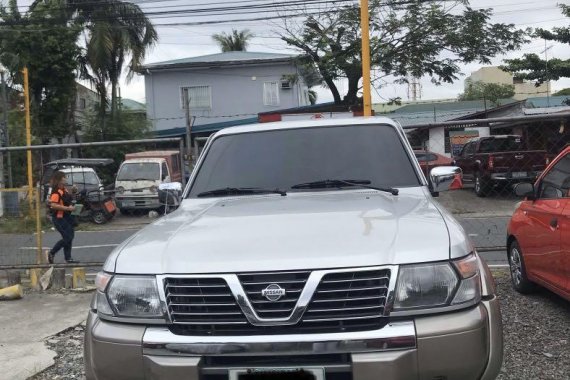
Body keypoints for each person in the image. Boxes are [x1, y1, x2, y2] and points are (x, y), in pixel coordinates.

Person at [45, 171, 79, 264]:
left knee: (70, 237)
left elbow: (71, 200)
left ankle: (68, 258)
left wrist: (74, 192)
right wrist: (68, 208)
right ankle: (52, 253)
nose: (66, 179)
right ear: (60, 179)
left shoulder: (65, 190)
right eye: (64, 177)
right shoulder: (56, 191)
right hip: (59, 218)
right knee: (68, 237)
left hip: (67, 217)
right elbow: (53, 205)